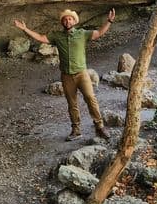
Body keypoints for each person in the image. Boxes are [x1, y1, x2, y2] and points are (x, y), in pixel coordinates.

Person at [13, 8, 116, 141]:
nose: (67, 21)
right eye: (65, 19)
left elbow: (99, 33)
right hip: (67, 76)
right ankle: (76, 130)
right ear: (62, 22)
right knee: (72, 103)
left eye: (70, 19)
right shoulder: (57, 36)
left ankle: (99, 127)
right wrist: (24, 29)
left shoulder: (82, 34)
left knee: (91, 98)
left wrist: (109, 21)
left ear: (74, 21)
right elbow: (41, 38)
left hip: (82, 74)